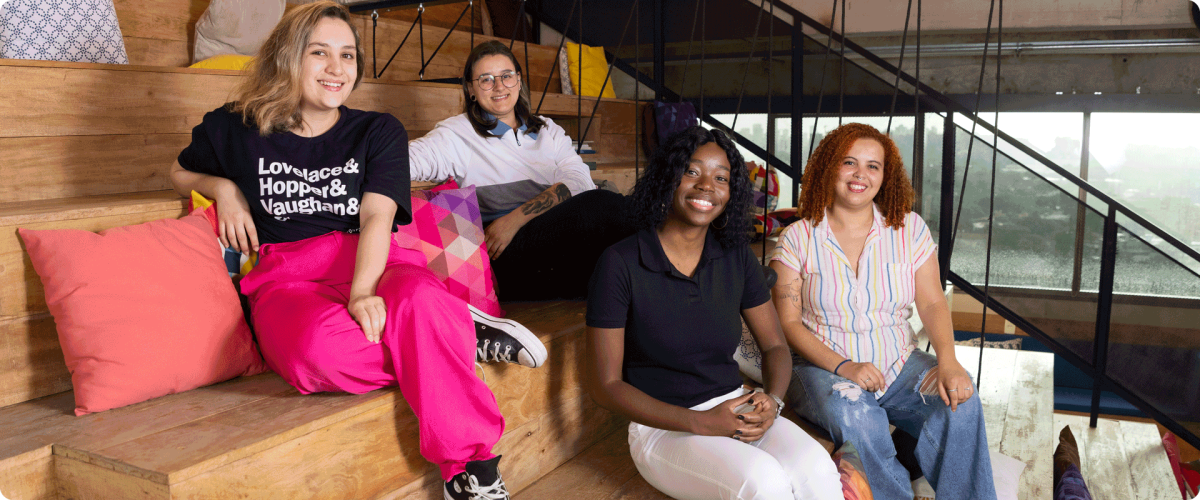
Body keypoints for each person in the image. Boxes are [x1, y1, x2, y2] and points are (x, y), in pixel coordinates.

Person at [167, 4, 542, 498]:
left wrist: (364, 291)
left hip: (376, 263)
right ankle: (452, 332)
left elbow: (377, 217)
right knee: (313, 356)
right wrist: (225, 189)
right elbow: (176, 171)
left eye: (347, 55)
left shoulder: (376, 130)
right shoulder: (235, 127)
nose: (337, 68)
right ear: (287, 57)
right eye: (319, 53)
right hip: (288, 279)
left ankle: (469, 468)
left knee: (421, 301)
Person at [586, 126, 842, 500]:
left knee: (817, 469)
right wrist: (701, 422)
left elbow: (774, 346)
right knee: (764, 482)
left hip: (735, 404)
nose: (707, 186)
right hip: (662, 429)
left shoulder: (735, 255)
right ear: (668, 177)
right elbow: (604, 387)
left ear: (731, 192)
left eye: (721, 177)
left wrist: (773, 401)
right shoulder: (621, 263)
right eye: (692, 171)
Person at [769, 122, 996, 499]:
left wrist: (949, 360)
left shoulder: (909, 229)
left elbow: (932, 301)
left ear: (885, 176)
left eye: (873, 166)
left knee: (960, 402)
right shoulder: (799, 237)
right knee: (856, 413)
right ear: (829, 167)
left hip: (899, 364)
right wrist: (846, 367)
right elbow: (789, 324)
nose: (861, 174)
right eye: (849, 163)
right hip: (822, 370)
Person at [408, 40, 633, 301]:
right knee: (603, 207)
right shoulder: (457, 134)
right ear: (471, 88)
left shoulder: (548, 130)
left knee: (622, 252)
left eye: (506, 76)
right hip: (507, 253)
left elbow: (580, 181)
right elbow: (408, 160)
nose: (499, 86)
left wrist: (515, 219)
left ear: (518, 80)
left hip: (543, 237)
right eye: (486, 79)